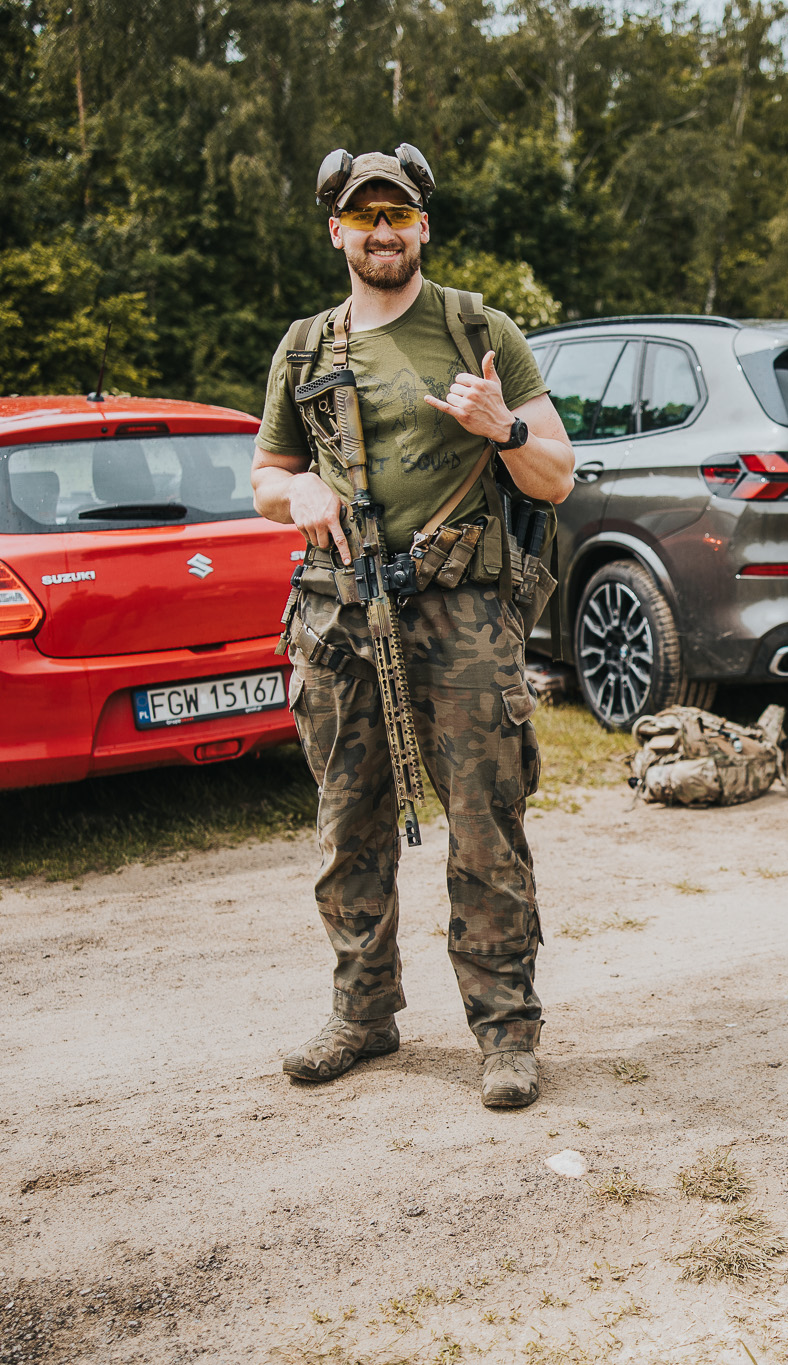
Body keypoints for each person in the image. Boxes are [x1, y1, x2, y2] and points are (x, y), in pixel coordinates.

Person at [251, 148, 575, 1108]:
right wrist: (297, 486)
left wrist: (501, 428)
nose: (382, 231)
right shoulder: (307, 346)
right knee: (347, 823)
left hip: (464, 618)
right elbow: (266, 478)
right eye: (365, 217)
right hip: (338, 611)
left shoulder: (479, 329)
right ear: (337, 232)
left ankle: (507, 1030)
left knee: (486, 825)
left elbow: (558, 474)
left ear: (422, 226)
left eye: (398, 214)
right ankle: (363, 1011)